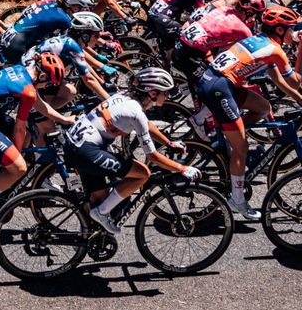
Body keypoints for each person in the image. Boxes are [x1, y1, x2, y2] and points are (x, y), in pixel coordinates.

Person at [195, 3, 302, 219]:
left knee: (263, 107)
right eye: (290, 28)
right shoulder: (276, 50)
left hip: (213, 82)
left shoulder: (258, 40)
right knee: (242, 148)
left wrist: (300, 99)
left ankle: (209, 122)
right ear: (279, 30)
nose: (294, 33)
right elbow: (295, 81)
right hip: (220, 88)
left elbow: (277, 80)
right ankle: (237, 200)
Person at [67, 68, 201, 235]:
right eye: (165, 93)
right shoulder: (135, 112)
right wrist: (182, 168)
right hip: (86, 150)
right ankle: (100, 214)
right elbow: (152, 156)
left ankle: (84, 236)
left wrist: (168, 142)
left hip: (77, 144)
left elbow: (146, 124)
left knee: (100, 199)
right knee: (142, 173)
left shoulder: (126, 97)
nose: (167, 96)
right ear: (152, 93)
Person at [0, 53, 75, 225]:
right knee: (19, 168)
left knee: (28, 136)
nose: (47, 86)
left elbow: (41, 105)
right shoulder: (27, 91)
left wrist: (64, 120)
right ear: (42, 75)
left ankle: (2, 178)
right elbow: (19, 128)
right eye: (48, 82)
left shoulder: (21, 70)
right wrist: (16, 156)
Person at [0, 0, 97, 64]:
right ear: (75, 7)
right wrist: (97, 59)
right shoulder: (65, 20)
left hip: (12, 36)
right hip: (17, 44)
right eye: (86, 8)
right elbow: (71, 45)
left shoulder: (54, 5)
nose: (87, 11)